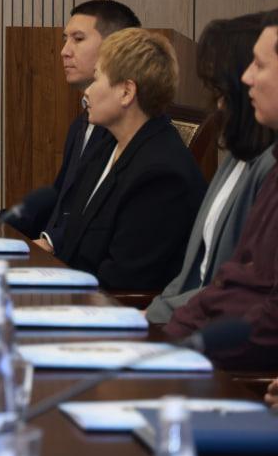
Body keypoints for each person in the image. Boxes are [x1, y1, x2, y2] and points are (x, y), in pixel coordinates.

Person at [35, 28, 205, 290]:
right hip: (72, 292)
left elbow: (123, 283)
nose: (87, 92)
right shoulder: (106, 146)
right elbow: (73, 240)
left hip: (103, 307)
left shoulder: (161, 175)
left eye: (96, 79)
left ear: (126, 92)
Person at [146, 13, 276, 323]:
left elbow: (244, 291)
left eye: (221, 88)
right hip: (189, 322)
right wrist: (155, 313)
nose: (217, 102)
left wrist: (156, 318)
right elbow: (191, 275)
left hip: (215, 333)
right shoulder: (235, 156)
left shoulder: (268, 167)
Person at [9, 0, 141, 238]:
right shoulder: (80, 124)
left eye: (78, 39)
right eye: (65, 39)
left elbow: (102, 218)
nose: (64, 51)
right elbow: (60, 201)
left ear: (115, 48)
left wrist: (51, 244)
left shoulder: (123, 128)